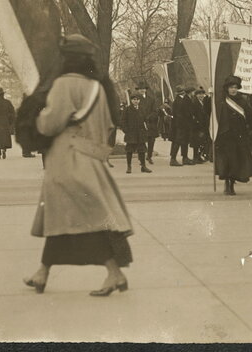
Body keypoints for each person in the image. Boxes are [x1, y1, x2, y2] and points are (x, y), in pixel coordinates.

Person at [24, 34, 133, 296]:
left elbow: (50, 124)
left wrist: (36, 117)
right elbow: (107, 124)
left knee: (82, 220)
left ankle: (114, 273)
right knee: (63, 218)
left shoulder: (63, 84)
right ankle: (42, 272)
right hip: (90, 158)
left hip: (67, 161)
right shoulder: (98, 87)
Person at [215, 76, 252, 195]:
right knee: (227, 161)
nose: (233, 90)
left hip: (239, 136)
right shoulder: (221, 101)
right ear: (227, 88)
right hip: (225, 136)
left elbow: (251, 118)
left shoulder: (242, 101)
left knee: (236, 162)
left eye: (235, 88)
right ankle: (227, 183)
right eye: (231, 87)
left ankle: (232, 183)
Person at [121, 93, 152, 174]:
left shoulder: (142, 109)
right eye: (134, 99)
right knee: (129, 150)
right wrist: (126, 130)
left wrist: (146, 127)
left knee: (142, 150)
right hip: (131, 134)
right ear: (131, 100)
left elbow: (146, 119)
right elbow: (123, 121)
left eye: (137, 99)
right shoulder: (127, 110)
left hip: (141, 133)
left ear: (139, 100)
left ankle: (143, 166)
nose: (136, 101)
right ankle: (129, 166)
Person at [135, 81, 158, 164]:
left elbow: (155, 111)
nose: (142, 90)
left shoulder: (151, 99)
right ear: (138, 90)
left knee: (151, 140)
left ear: (146, 90)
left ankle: (149, 156)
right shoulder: (135, 99)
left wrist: (149, 117)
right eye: (140, 89)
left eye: (143, 89)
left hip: (150, 123)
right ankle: (141, 158)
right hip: (140, 123)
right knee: (141, 141)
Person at [169, 85, 193, 166]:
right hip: (181, 125)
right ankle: (173, 159)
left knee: (184, 141)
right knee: (178, 141)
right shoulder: (180, 101)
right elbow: (182, 113)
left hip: (182, 124)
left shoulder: (179, 100)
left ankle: (184, 157)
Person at [191, 87, 210, 163]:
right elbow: (194, 114)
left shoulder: (202, 102)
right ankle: (195, 157)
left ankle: (198, 156)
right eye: (199, 94)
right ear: (196, 95)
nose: (201, 95)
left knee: (201, 142)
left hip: (202, 125)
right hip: (197, 126)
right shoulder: (195, 103)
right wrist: (198, 123)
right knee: (196, 142)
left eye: (202, 94)